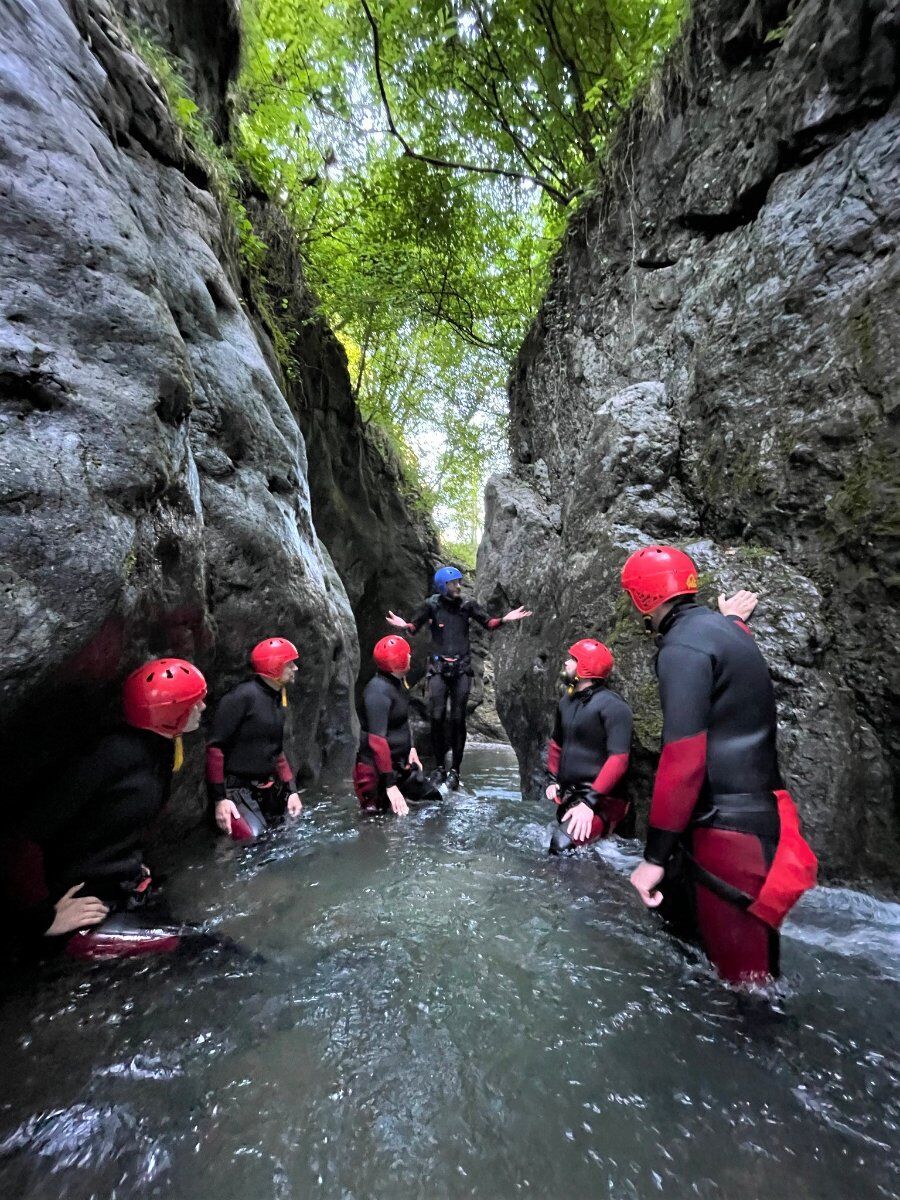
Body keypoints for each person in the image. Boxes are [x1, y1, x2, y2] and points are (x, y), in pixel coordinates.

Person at [622, 545, 818, 985]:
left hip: (727, 835)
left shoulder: (680, 649)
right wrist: (732, 619)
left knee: (749, 992)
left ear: (643, 599)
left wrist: (653, 857)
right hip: (754, 821)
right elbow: (727, 657)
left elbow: (684, 756)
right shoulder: (723, 634)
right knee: (693, 951)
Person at [8, 658, 208, 959]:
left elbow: (117, 827)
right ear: (171, 714)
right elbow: (21, 840)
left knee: (200, 942)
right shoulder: (109, 756)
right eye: (195, 703)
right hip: (82, 915)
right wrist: (43, 918)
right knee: (200, 948)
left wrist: (130, 862)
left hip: (118, 890)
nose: (203, 708)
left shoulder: (160, 749)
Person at [387, 566, 532, 788]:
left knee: (457, 719)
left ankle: (455, 771)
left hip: (462, 669)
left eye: (459, 582)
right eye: (454, 583)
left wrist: (505, 619)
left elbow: (488, 623)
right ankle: (439, 769)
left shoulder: (467, 605)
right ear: (443, 585)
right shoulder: (431, 605)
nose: (458, 586)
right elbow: (413, 628)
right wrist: (403, 625)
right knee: (436, 716)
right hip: (438, 668)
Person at [206, 638, 304, 841]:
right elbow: (215, 748)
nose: (295, 668)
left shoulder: (277, 697)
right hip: (236, 790)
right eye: (289, 664)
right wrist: (220, 800)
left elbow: (276, 750)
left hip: (268, 786)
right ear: (274, 666)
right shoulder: (241, 697)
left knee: (286, 834)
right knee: (253, 842)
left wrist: (291, 791)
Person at [545, 639, 633, 854]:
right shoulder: (566, 702)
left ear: (586, 666)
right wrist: (552, 779)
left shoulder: (614, 706)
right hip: (573, 796)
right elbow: (557, 744)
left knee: (561, 846)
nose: (566, 663)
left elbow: (619, 760)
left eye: (573, 659)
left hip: (603, 802)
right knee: (559, 847)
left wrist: (589, 802)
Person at [353, 635, 442, 814]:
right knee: (375, 822)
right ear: (398, 661)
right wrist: (390, 784)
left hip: (400, 764)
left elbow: (400, 721)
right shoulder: (377, 692)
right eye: (406, 654)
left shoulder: (397, 683)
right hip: (376, 772)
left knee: (433, 801)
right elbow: (377, 741)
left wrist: (411, 748)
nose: (410, 656)